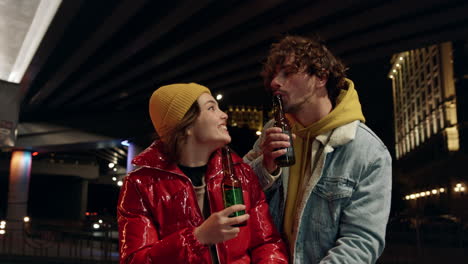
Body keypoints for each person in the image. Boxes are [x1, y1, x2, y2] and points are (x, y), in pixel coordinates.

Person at [244, 35, 392, 263]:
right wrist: (265, 168)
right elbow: (237, 199)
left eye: (287, 72)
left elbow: (360, 242)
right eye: (273, 74)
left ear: (321, 77)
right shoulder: (272, 131)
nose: (275, 82)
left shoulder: (368, 151)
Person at [117, 83, 288, 264]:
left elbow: (267, 243)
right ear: (186, 125)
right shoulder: (140, 184)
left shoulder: (242, 174)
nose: (224, 115)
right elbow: (135, 260)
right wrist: (196, 238)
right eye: (211, 108)